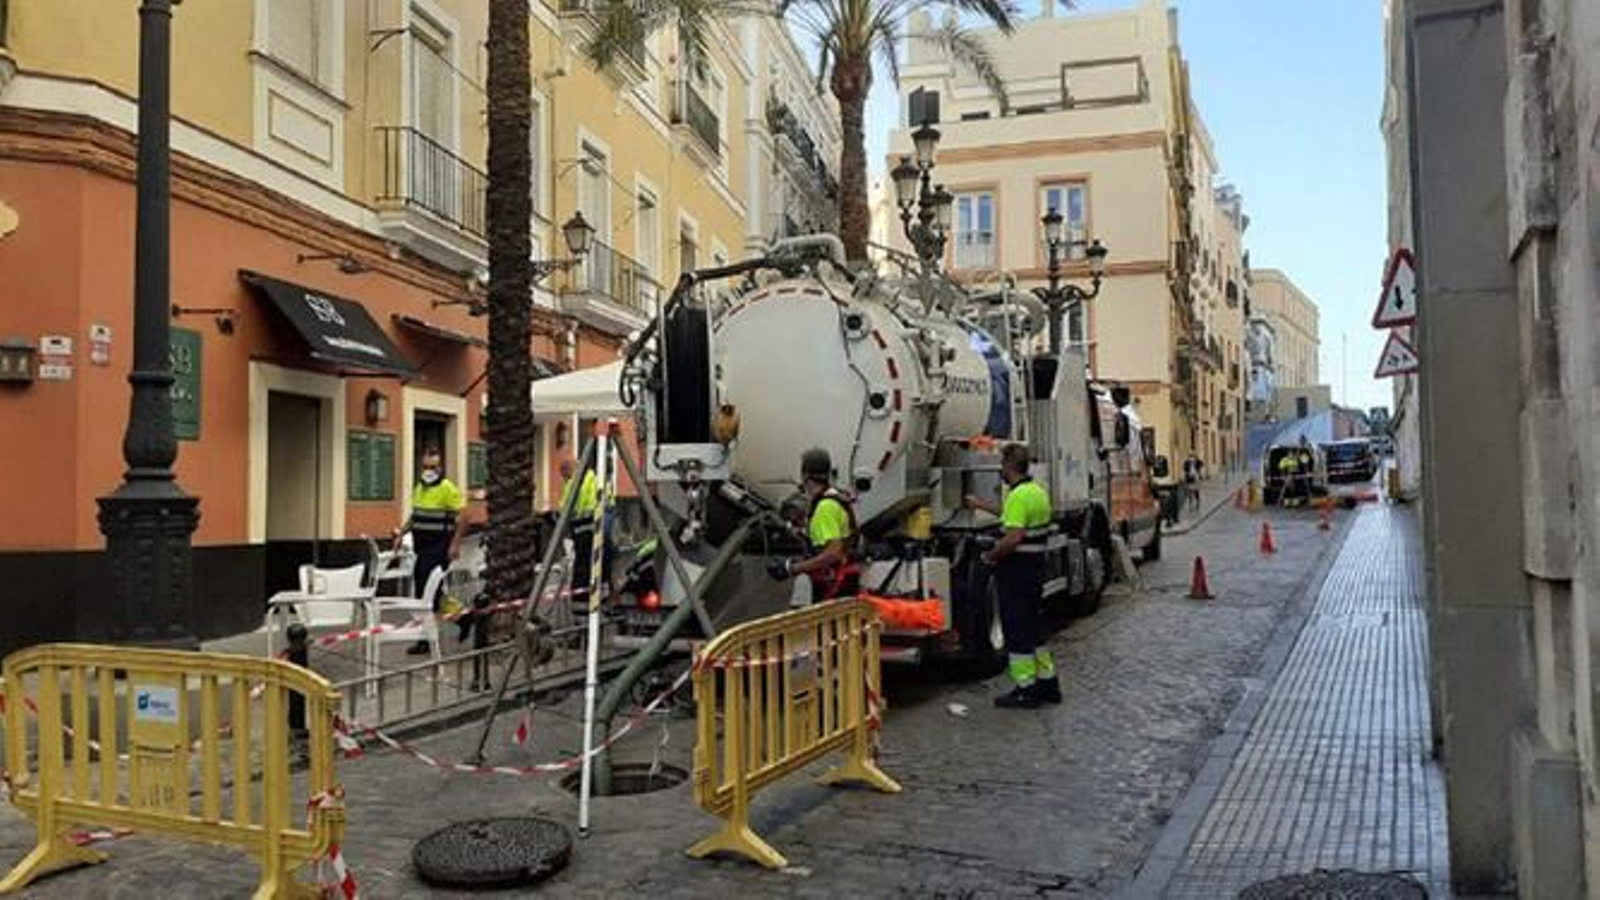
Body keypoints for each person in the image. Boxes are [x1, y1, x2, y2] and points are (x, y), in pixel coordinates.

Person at [966, 444, 1061, 709]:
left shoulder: (1018, 496)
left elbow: (1013, 536)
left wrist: (991, 555)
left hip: (1016, 571)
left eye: (1002, 466)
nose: (1000, 471)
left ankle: (1025, 688)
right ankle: (1048, 683)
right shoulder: (1036, 492)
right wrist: (983, 505)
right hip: (1034, 568)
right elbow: (1013, 519)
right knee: (1034, 630)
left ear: (1008, 466)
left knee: (1017, 631)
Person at [395, 448, 466, 655]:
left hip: (439, 546)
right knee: (432, 592)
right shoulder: (419, 488)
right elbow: (415, 516)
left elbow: (465, 517)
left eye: (433, 467)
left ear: (440, 468)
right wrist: (401, 533)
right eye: (425, 466)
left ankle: (425, 640)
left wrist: (455, 544)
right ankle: (465, 619)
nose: (429, 471)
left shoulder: (447, 488)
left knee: (426, 593)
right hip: (422, 547)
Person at [767, 448, 861, 602]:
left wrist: (792, 569)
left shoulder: (824, 507)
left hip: (834, 588)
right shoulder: (834, 496)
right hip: (843, 584)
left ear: (804, 475)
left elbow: (832, 553)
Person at [559, 457, 601, 599]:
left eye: (564, 475)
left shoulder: (575, 483)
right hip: (591, 524)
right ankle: (587, 590)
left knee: (582, 561)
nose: (564, 479)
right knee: (590, 560)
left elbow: (565, 507)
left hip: (583, 526)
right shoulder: (593, 478)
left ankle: (581, 592)